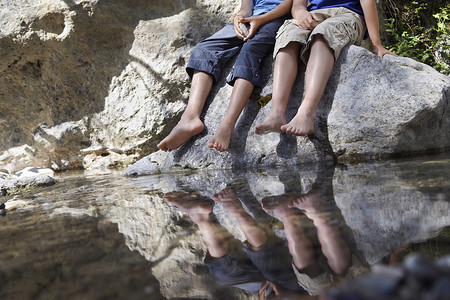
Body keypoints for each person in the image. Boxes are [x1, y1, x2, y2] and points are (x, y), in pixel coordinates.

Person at [157, 0, 292, 152]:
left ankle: (227, 124)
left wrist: (261, 19)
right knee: (204, 49)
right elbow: (246, 8)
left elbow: (290, 4)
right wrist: (239, 18)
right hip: (251, 20)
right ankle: (190, 117)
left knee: (248, 53)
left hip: (276, 20)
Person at [254, 0, 397, 136]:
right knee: (288, 35)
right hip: (314, 14)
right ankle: (276, 113)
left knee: (323, 35)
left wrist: (376, 44)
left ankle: (307, 113)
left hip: (347, 14)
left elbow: (367, 2)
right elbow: (297, 5)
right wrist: (301, 12)